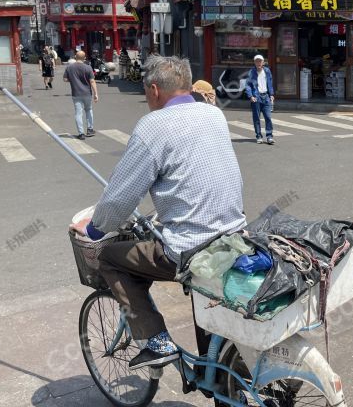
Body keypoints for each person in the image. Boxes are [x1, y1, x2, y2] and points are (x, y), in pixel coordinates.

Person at [72, 55, 246, 369]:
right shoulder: (214, 115)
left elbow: (120, 198)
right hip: (233, 235)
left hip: (188, 247)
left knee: (111, 259)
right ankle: (215, 370)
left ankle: (157, 340)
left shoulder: (153, 126)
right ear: (188, 86)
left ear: (154, 90)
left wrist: (95, 229)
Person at [63, 50, 98, 139]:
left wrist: (74, 80)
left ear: (75, 57)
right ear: (84, 58)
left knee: (78, 113)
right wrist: (95, 94)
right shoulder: (88, 67)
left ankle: (81, 133)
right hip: (87, 93)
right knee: (89, 110)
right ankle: (90, 129)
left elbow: (65, 79)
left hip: (76, 93)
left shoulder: (69, 67)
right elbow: (92, 81)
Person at [245, 54, 275, 144]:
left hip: (266, 97)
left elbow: (270, 83)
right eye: (256, 61)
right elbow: (248, 85)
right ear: (254, 62)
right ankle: (258, 136)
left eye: (260, 61)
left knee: (268, 117)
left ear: (263, 62)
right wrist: (250, 96)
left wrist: (271, 94)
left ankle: (269, 136)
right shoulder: (251, 72)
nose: (258, 63)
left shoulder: (267, 71)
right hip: (256, 97)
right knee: (256, 118)